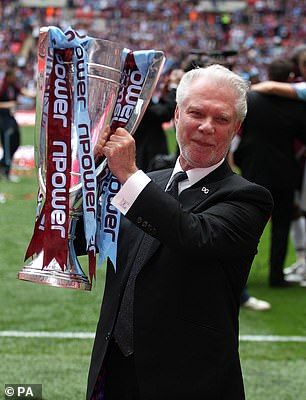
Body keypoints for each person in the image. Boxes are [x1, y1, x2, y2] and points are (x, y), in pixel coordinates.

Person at [83, 65, 273, 400]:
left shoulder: (248, 197)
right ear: (177, 114)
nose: (206, 127)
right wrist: (78, 178)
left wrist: (129, 174)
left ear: (237, 128)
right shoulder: (149, 183)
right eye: (196, 113)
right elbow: (82, 237)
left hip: (190, 382)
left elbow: (193, 235)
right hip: (112, 373)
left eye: (221, 119)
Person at [234, 58, 306, 288]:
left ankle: (239, 276)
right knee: (282, 226)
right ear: (290, 79)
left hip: (253, 168)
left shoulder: (252, 99)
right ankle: (276, 276)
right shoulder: (296, 106)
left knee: (246, 225)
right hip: (285, 170)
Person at [133, 68, 184, 172]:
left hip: (145, 149)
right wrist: (174, 87)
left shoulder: (134, 93)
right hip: (148, 152)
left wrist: (167, 90)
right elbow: (163, 113)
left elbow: (158, 109)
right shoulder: (139, 95)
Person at [0, 67, 34, 181]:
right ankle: (6, 171)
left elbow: (26, 93)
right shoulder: (2, 88)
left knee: (16, 141)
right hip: (3, 119)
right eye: (13, 76)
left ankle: (3, 163)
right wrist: (9, 104)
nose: (15, 78)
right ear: (8, 76)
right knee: (7, 143)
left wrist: (39, 93)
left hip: (10, 118)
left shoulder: (14, 87)